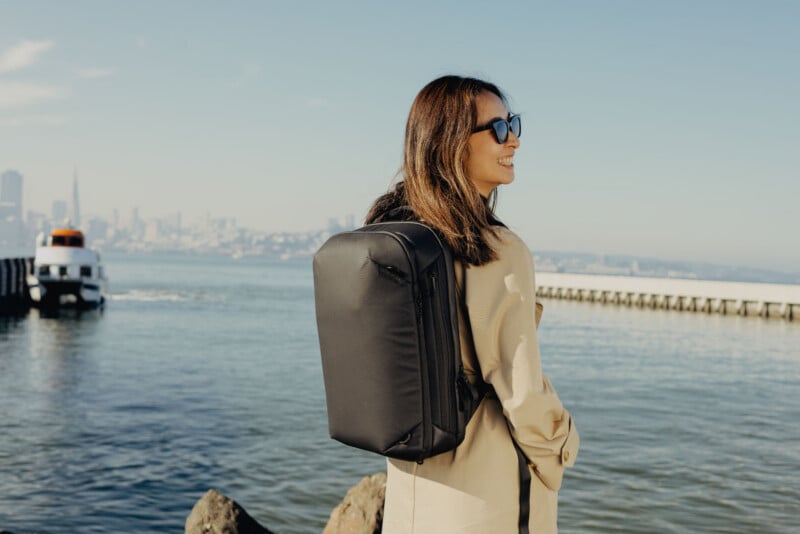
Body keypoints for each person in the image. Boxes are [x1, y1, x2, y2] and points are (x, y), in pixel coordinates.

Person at [365, 75, 580, 534]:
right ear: (453, 142)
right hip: (490, 500)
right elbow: (521, 393)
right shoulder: (496, 249)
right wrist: (563, 446)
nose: (515, 140)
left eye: (514, 123)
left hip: (412, 493)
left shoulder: (392, 234)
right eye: (499, 129)